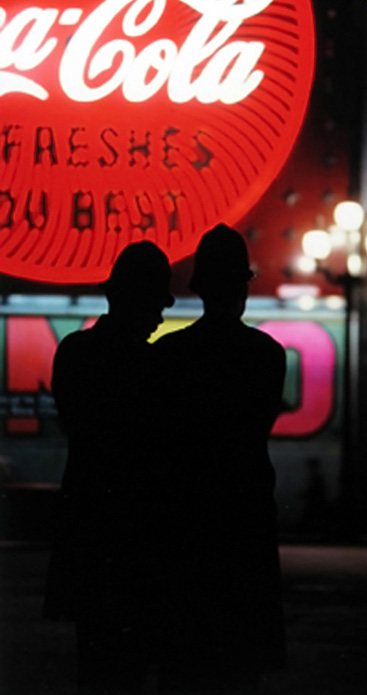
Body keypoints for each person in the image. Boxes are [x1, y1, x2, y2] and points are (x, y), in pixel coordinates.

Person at [154, 224, 287, 695]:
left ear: (200, 287)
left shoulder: (168, 354)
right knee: (239, 663)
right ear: (243, 289)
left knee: (185, 658)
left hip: (184, 517)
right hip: (244, 512)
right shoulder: (267, 355)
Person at [43, 241, 174, 695]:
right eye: (158, 299)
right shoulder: (157, 366)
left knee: (96, 666)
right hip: (140, 540)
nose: (162, 312)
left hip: (89, 532)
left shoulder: (75, 352)